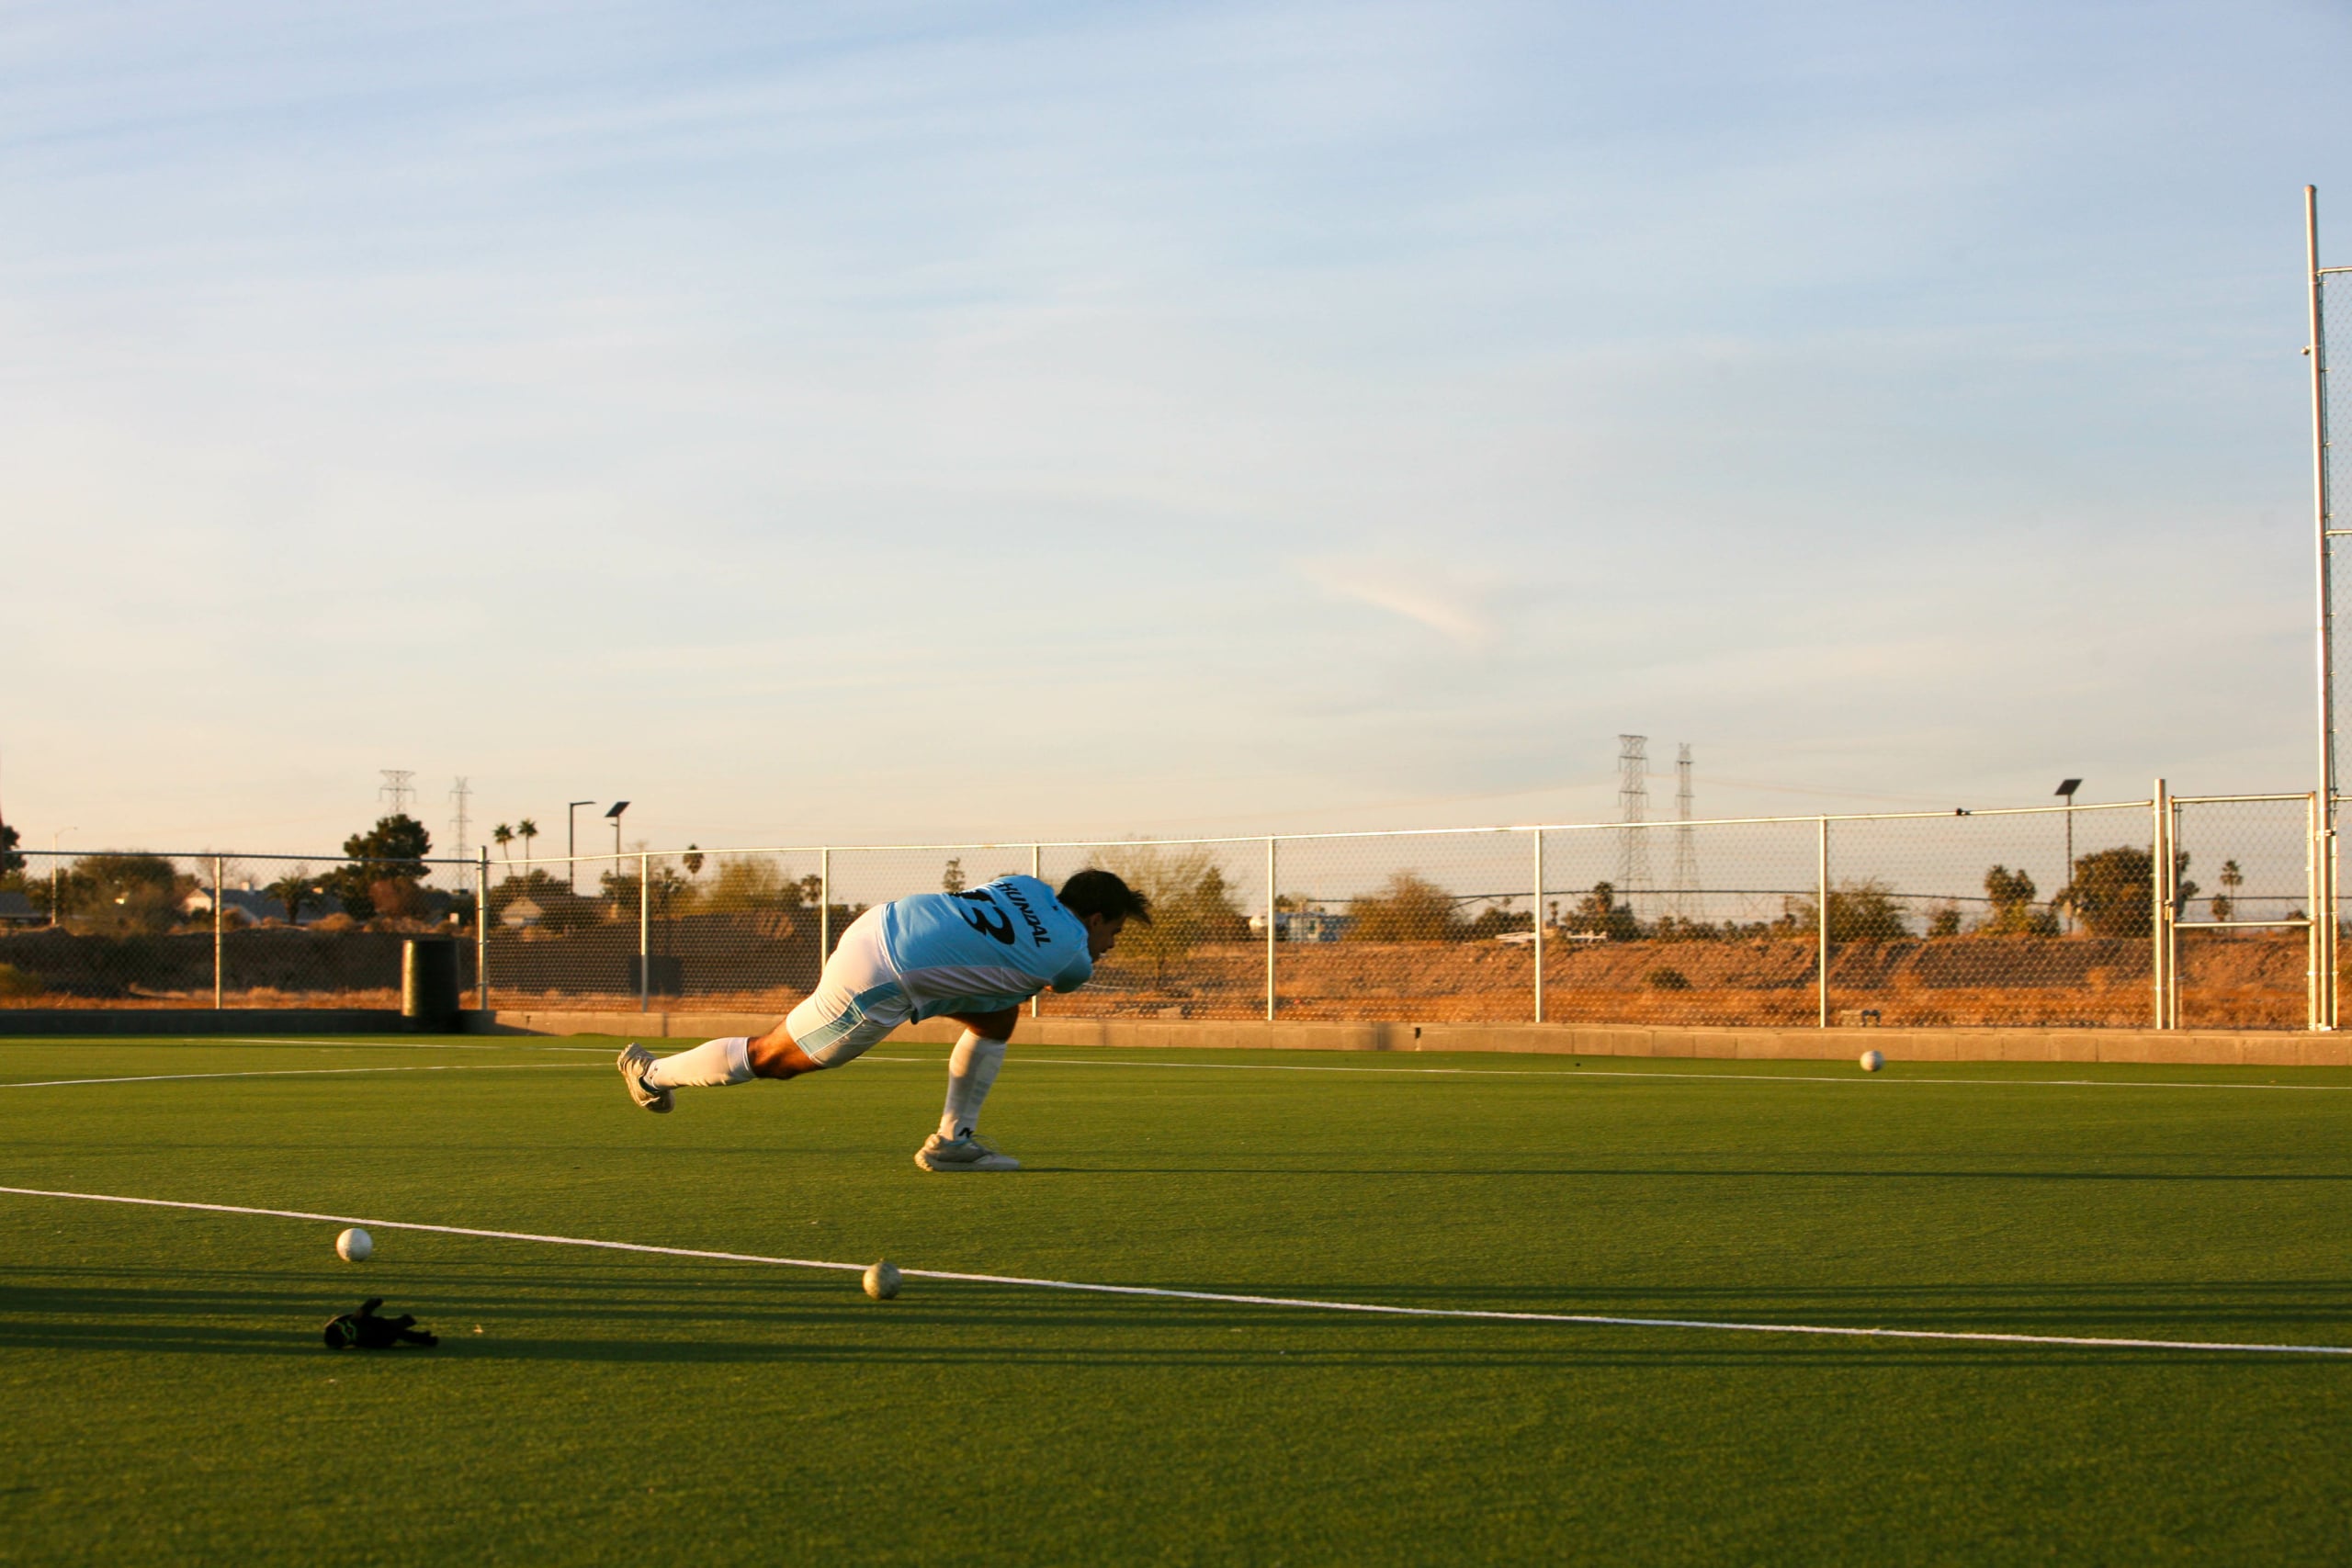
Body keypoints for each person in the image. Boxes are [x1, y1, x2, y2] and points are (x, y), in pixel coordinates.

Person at [616, 868, 1148, 1171]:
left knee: (997, 1017)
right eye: (1115, 934)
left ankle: (953, 1142)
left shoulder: (1028, 884)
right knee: (775, 1058)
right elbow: (1060, 973)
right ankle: (651, 1074)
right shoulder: (1074, 956)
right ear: (1096, 919)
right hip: (882, 976)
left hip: (881, 924)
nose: (1109, 948)